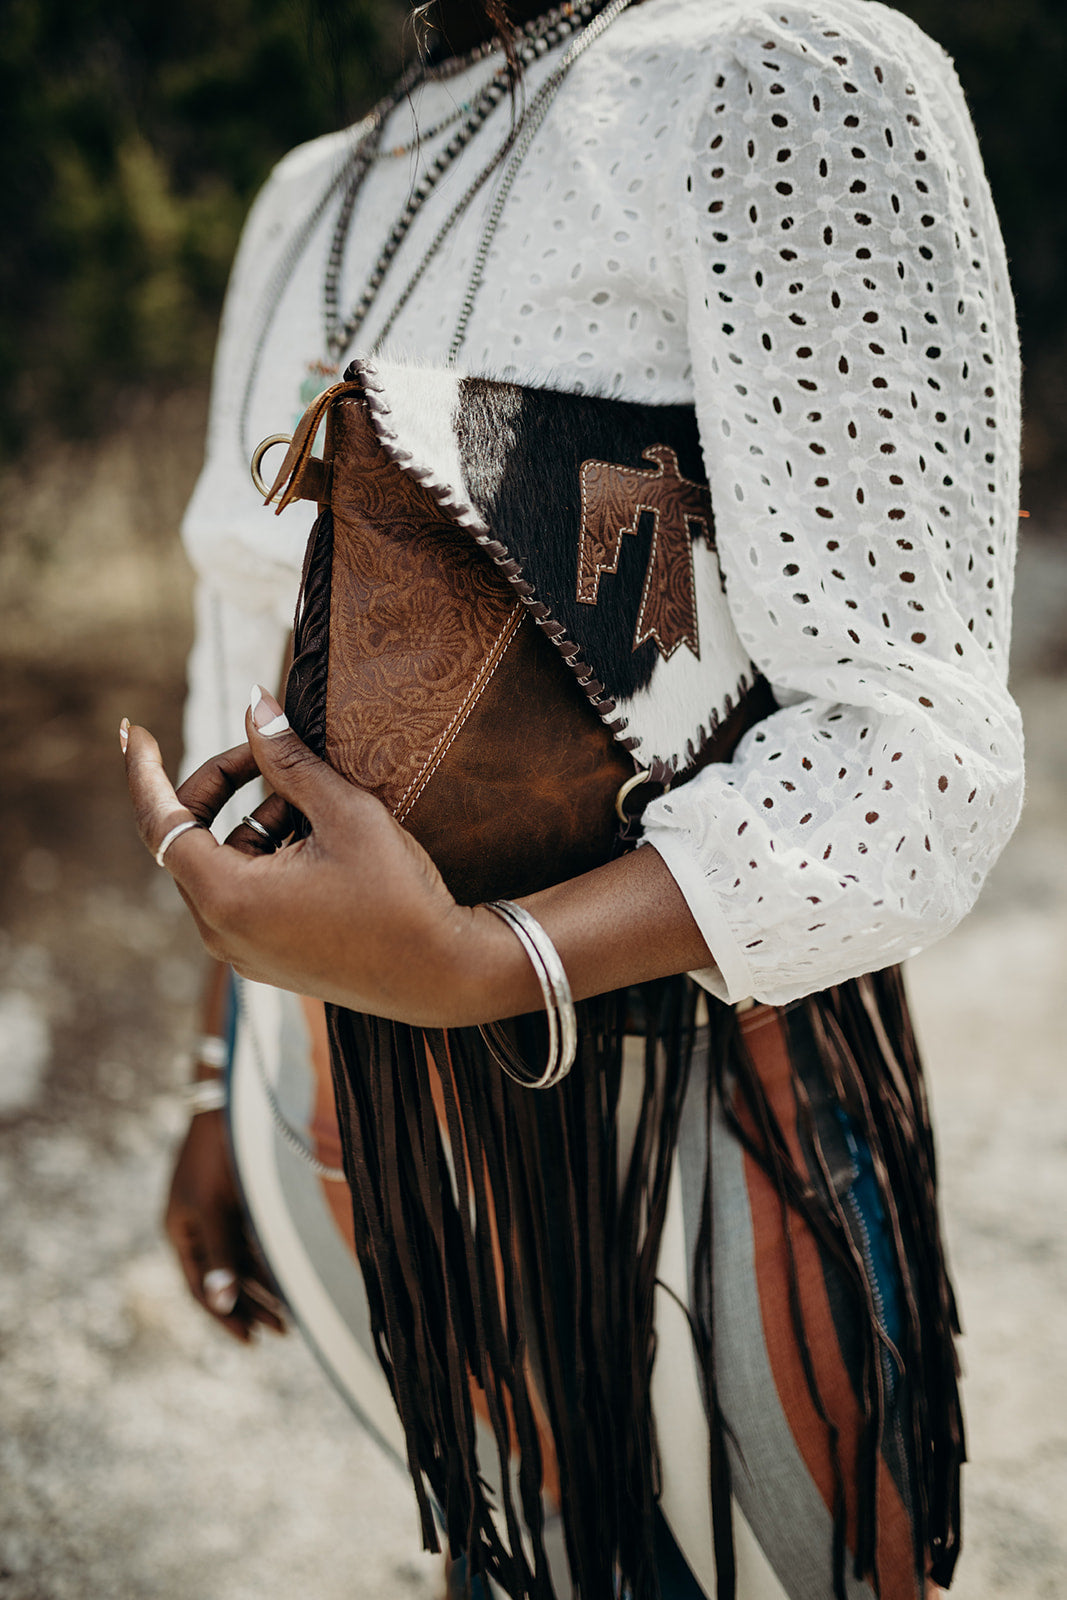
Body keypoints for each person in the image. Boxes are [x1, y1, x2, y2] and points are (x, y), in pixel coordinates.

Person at [122, 0, 1023, 1594]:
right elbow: (243, 679)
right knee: (520, 1571)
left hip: (676, 1092)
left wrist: (492, 967)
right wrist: (219, 1081)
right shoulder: (302, 199)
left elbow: (912, 750)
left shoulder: (789, 73)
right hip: (350, 1117)